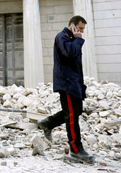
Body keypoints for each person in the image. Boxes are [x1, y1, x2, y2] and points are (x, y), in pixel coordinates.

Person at [37, 15, 95, 163]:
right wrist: (78, 39)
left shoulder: (72, 39)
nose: (82, 32)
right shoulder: (62, 37)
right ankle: (76, 150)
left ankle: (48, 123)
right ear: (72, 26)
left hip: (74, 83)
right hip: (67, 83)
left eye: (83, 29)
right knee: (72, 116)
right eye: (80, 28)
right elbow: (69, 53)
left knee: (76, 111)